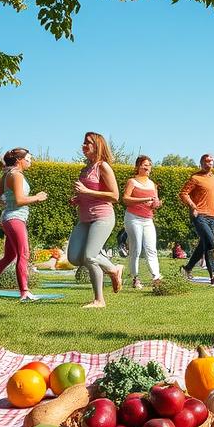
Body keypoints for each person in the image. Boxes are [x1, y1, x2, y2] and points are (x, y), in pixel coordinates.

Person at [0, 148, 48, 302]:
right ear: (19, 160)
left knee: (10, 256)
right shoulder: (16, 175)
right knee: (24, 254)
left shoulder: (8, 175)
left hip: (9, 218)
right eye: (28, 158)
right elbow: (19, 200)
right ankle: (24, 293)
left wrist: (6, 203)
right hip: (15, 219)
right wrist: (37, 197)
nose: (30, 161)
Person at [69, 132, 123, 307]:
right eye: (83, 143)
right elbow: (86, 193)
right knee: (75, 257)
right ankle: (114, 269)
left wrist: (86, 192)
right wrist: (78, 199)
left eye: (88, 143)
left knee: (90, 256)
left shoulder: (103, 167)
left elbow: (115, 196)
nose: (84, 146)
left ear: (97, 146)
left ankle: (99, 300)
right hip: (85, 218)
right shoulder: (85, 169)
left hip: (102, 216)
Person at [179, 154, 214, 286]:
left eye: (210, 161)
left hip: (213, 217)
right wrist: (193, 206)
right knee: (210, 242)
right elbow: (183, 193)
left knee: (203, 245)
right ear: (201, 163)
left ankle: (186, 269)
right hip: (199, 215)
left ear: (213, 163)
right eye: (205, 162)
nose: (208, 164)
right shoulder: (195, 178)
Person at [122, 155, 163, 288]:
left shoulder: (152, 184)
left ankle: (156, 277)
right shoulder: (132, 182)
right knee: (136, 248)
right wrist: (143, 200)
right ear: (138, 166)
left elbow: (154, 202)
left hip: (148, 219)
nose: (147, 167)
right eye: (144, 164)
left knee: (151, 249)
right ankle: (135, 278)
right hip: (133, 218)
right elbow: (125, 199)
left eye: (149, 164)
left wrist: (157, 203)